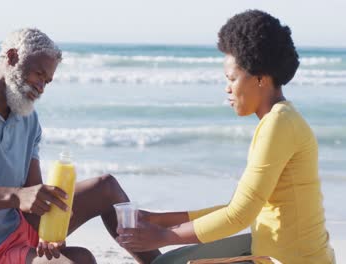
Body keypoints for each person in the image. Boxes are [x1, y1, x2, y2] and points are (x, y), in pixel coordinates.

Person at [116, 10, 336, 264]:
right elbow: (238, 207)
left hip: (291, 259)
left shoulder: (279, 124)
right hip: (271, 247)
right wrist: (159, 220)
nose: (227, 88)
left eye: (232, 78)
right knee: (170, 260)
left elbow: (238, 216)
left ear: (261, 79)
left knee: (166, 262)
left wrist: (163, 236)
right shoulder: (279, 119)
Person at [0, 28, 160, 264]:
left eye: (47, 81)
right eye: (39, 74)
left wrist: (52, 228)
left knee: (106, 188)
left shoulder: (28, 118)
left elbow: (32, 198)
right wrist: (17, 196)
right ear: (12, 57)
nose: (41, 87)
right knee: (81, 260)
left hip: (17, 227)